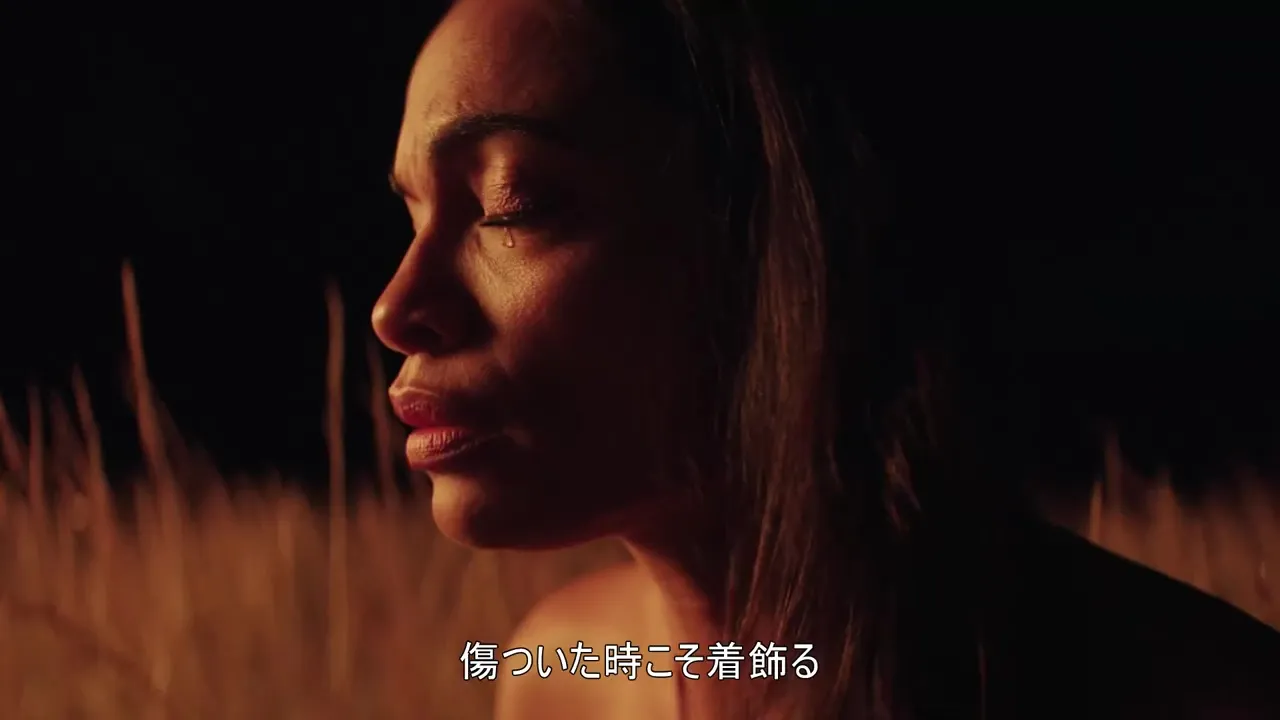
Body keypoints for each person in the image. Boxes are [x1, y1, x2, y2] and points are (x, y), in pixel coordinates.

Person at [371, 1, 1280, 718]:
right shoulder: (563, 677)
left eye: (511, 202)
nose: (395, 309)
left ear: (782, 229)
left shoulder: (1197, 695)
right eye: (413, 214)